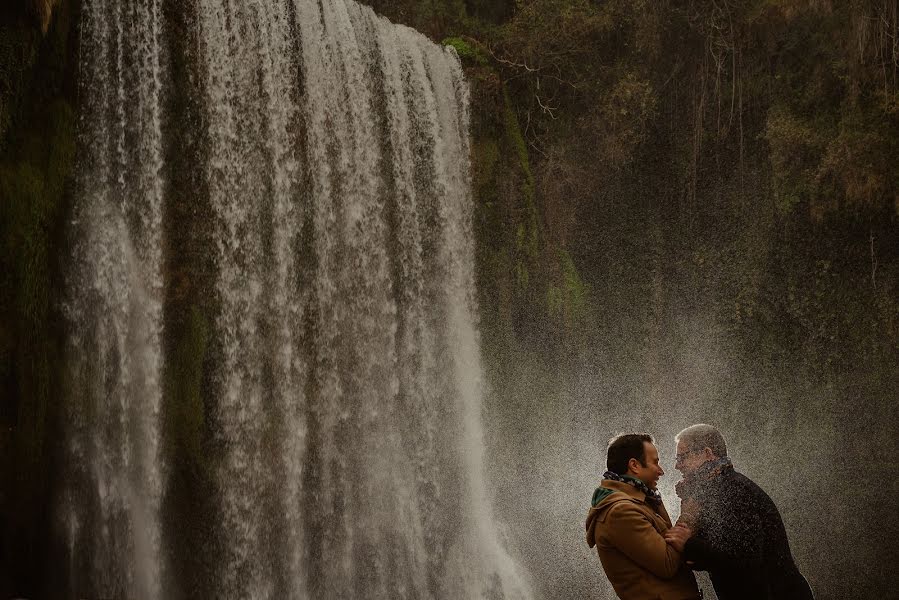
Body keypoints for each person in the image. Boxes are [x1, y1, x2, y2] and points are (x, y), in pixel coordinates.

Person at [665, 424, 814, 600]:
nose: (677, 466)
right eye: (677, 458)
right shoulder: (715, 490)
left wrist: (688, 544)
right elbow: (718, 551)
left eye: (683, 457)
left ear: (707, 453)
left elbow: (744, 561)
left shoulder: (732, 490)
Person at [586, 433, 700, 600]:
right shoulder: (621, 512)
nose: (661, 471)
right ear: (634, 465)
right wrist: (688, 516)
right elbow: (667, 564)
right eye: (655, 462)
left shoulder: (642, 500)